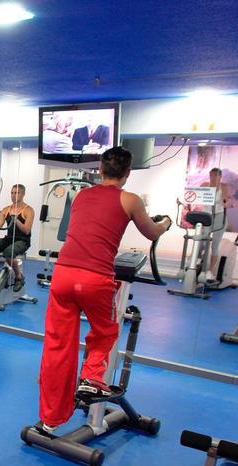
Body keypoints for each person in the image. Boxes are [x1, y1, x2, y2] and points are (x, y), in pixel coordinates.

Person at [35, 147, 171, 434]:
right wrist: (166, 223)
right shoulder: (130, 199)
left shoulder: (83, 195)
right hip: (95, 278)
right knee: (106, 331)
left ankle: (50, 418)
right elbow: (152, 232)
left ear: (100, 169)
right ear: (127, 173)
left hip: (63, 274)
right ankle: (91, 379)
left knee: (58, 346)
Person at [206, 167, 230, 281]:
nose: (213, 178)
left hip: (219, 216)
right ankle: (196, 266)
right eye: (211, 175)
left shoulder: (223, 186)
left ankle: (210, 271)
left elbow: (225, 198)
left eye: (216, 176)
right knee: (201, 242)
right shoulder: (204, 185)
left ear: (220, 177)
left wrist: (225, 201)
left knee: (214, 244)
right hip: (206, 216)